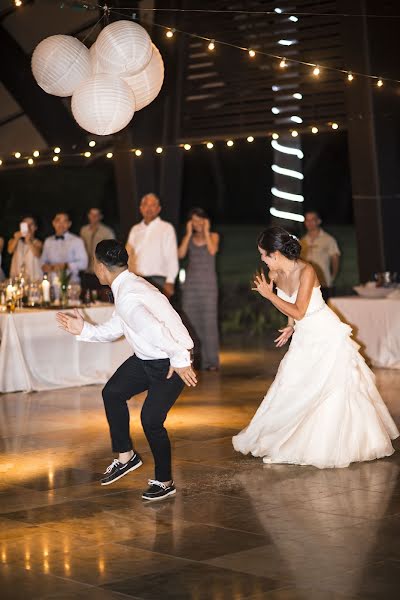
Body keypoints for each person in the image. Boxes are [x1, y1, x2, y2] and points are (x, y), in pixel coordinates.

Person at [232, 226, 399, 468]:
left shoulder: (306, 271)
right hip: (303, 337)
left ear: (276, 254)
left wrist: (270, 297)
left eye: (263, 254)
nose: (261, 259)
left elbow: (300, 309)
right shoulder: (275, 274)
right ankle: (284, 437)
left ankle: (335, 444)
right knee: (292, 386)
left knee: (332, 389)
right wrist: (290, 326)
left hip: (325, 334)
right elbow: (291, 310)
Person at [56, 240, 196, 501]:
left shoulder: (129, 295)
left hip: (169, 362)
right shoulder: (127, 286)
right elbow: (118, 326)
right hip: (148, 359)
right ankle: (126, 456)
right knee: (113, 393)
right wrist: (84, 329)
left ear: (101, 267)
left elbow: (156, 331)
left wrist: (180, 360)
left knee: (151, 421)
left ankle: (165, 482)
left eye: (94, 264)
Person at [178, 208, 220, 370]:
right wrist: (188, 234)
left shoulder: (214, 236)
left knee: (209, 324)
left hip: (208, 286)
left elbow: (212, 250)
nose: (197, 224)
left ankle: (211, 362)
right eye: (194, 221)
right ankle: (194, 360)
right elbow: (180, 254)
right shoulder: (188, 238)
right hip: (191, 286)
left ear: (205, 221)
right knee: (190, 322)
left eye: (200, 220)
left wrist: (207, 231)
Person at [126, 193, 179, 298]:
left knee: (156, 313)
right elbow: (128, 255)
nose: (149, 208)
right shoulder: (135, 229)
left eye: (153, 205)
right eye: (145, 205)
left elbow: (172, 256)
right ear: (141, 208)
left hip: (158, 280)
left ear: (159, 209)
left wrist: (170, 281)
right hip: (136, 280)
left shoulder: (166, 228)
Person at [300, 211, 340, 300]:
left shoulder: (328, 239)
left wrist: (332, 276)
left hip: (324, 282)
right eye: (307, 220)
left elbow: (335, 259)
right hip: (306, 284)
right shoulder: (302, 241)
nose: (309, 223)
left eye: (312, 220)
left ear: (318, 221)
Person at [41, 212, 88, 282]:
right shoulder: (48, 241)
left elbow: (84, 263)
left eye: (64, 221)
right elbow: (42, 261)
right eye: (58, 221)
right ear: (53, 223)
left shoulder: (77, 241)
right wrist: (45, 266)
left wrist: (66, 266)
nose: (61, 224)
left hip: (72, 283)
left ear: (69, 224)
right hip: (51, 283)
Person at [80, 207, 115, 296]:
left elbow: (112, 249)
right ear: (88, 216)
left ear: (100, 217)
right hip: (87, 270)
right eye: (92, 214)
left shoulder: (107, 231)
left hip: (101, 270)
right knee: (87, 295)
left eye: (96, 215)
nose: (94, 217)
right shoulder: (84, 230)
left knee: (101, 295)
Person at [8, 216, 43, 281]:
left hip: (34, 278)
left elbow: (37, 254)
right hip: (17, 277)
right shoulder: (14, 240)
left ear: (35, 227)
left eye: (31, 224)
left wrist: (29, 241)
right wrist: (16, 238)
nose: (28, 227)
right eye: (25, 224)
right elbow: (10, 250)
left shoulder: (38, 242)